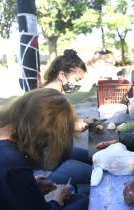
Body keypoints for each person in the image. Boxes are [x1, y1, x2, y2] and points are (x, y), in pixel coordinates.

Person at [0, 88, 89, 210]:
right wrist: (57, 199)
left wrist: (29, 183)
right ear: (44, 131)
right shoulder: (12, 164)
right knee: (87, 202)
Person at [42, 49, 92, 192]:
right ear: (62, 76)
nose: (77, 85)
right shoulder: (46, 98)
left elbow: (57, 122)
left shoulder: (54, 95)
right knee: (97, 172)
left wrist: (83, 121)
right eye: (76, 80)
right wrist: (72, 127)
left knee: (94, 157)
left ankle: (75, 188)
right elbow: (44, 131)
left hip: (58, 152)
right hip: (47, 164)